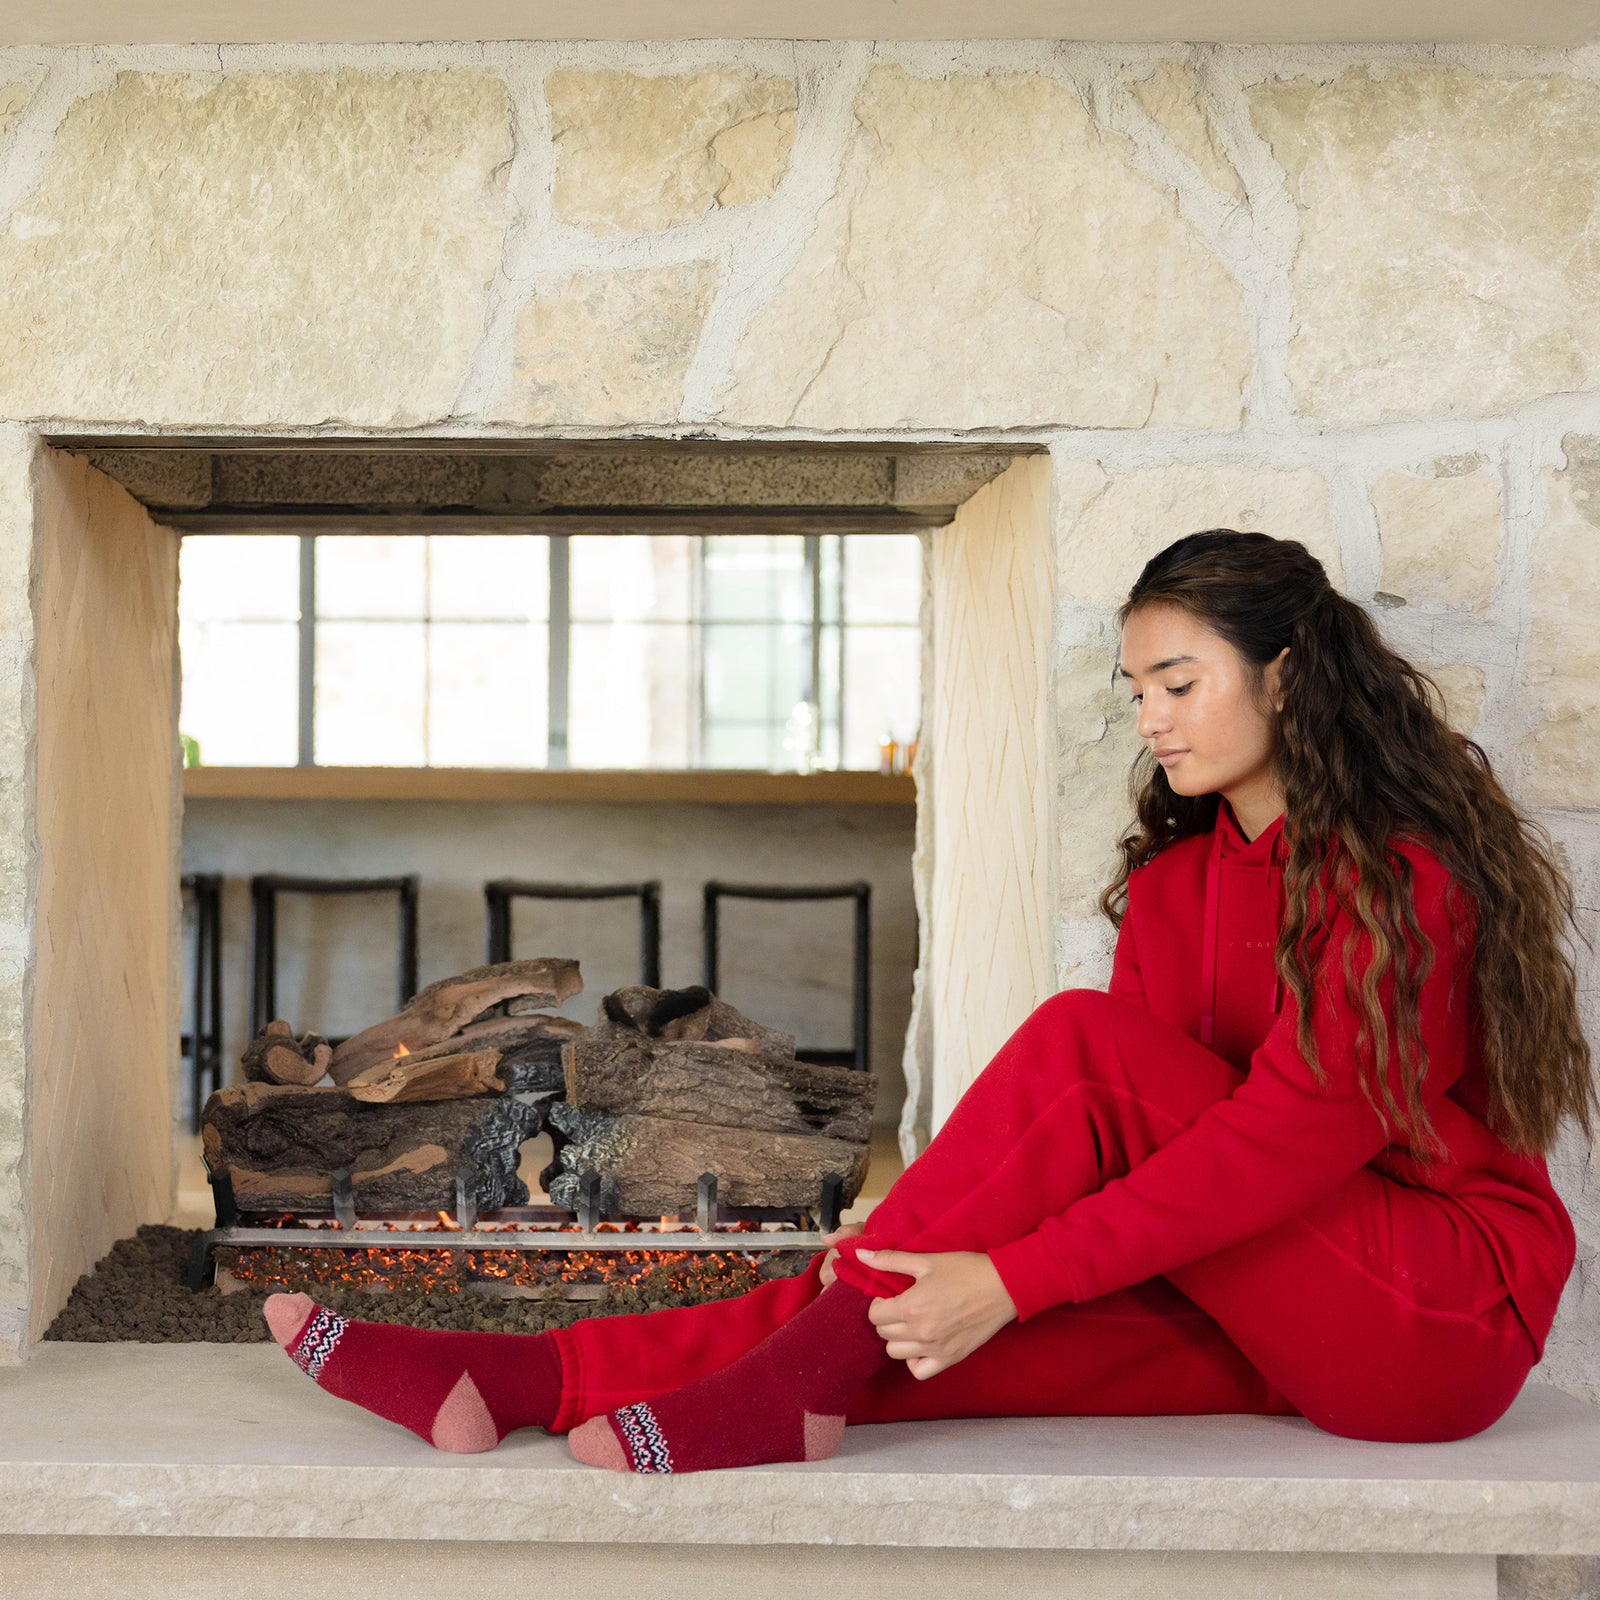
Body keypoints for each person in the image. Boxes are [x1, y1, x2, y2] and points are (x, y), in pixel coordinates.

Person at [262, 529, 1592, 1475]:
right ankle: (525, 1377)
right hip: (1269, 1300)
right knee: (895, 1325)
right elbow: (1153, 1162)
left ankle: (785, 1383)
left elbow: (1277, 1141)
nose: (1153, 722)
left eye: (1179, 685)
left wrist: (1010, 1271)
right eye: (1137, 693)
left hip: (1430, 1318)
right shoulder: (1184, 889)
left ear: (1288, 674)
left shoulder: (1397, 880)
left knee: (1061, 1082)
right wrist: (950, 1268)